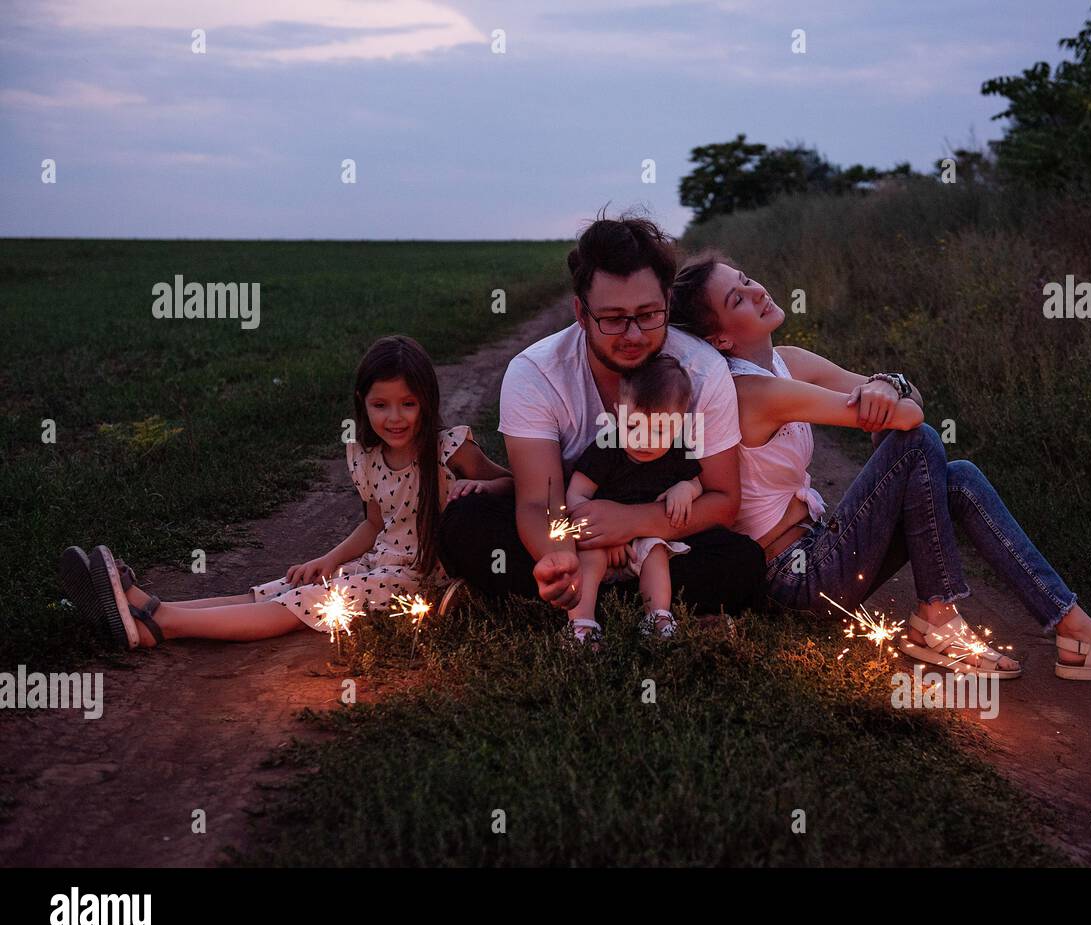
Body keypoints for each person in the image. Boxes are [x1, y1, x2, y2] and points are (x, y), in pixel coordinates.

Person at [667, 252, 1091, 685]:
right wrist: (885, 393)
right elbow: (909, 417)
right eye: (737, 298)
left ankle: (1074, 628)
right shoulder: (750, 390)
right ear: (719, 341)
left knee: (956, 476)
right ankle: (937, 617)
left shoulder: (790, 361)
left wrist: (885, 383)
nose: (756, 292)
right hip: (795, 582)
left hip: (821, 550)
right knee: (918, 445)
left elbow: (906, 393)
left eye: (747, 280)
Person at [58, 335, 511, 648]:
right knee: (273, 590)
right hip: (375, 564)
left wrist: (480, 486)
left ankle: (163, 626)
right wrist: (329, 560)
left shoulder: (449, 449)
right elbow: (375, 524)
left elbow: (511, 483)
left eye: (408, 405)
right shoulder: (366, 456)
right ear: (361, 402)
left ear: (427, 402)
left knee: (296, 606)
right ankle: (143, 605)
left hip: (418, 581)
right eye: (380, 405)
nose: (394, 418)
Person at [437, 212, 766, 618]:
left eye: (648, 315)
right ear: (581, 313)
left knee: (742, 561)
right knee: (465, 522)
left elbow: (722, 500)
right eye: (613, 319)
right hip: (571, 526)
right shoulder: (536, 372)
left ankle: (581, 609)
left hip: (657, 539)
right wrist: (559, 557)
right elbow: (539, 501)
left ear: (667, 302)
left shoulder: (700, 369)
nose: (633, 335)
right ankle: (621, 603)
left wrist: (631, 521)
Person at [564, 354, 704, 645]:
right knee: (589, 559)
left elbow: (696, 482)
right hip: (600, 541)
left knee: (656, 552)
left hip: (642, 542)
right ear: (618, 413)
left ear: (680, 422)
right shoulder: (606, 447)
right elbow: (576, 496)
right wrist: (605, 538)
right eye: (632, 427)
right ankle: (581, 624)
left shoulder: (678, 451)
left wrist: (686, 489)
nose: (643, 440)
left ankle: (657, 617)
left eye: (659, 430)